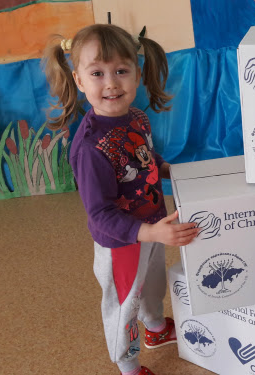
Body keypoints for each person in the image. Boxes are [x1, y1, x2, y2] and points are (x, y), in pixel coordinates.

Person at [42, 24, 199, 375]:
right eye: (97, 73)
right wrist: (151, 233)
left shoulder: (137, 118)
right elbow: (99, 215)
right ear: (79, 80)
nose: (111, 83)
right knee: (124, 305)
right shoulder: (89, 147)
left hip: (153, 226)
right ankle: (127, 365)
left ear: (137, 74)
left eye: (121, 71)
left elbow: (142, 157)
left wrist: (162, 167)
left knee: (153, 287)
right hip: (122, 245)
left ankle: (156, 329)